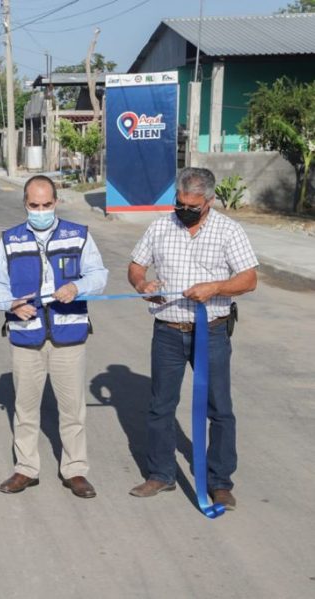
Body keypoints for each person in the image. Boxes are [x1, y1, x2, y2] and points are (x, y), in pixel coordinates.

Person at [127, 167, 257, 510]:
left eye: (192, 206)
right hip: (168, 331)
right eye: (180, 203)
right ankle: (160, 474)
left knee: (219, 409)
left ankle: (219, 483)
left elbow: (249, 279)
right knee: (160, 406)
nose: (184, 210)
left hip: (211, 331)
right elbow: (136, 267)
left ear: (210, 202)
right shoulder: (161, 227)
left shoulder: (229, 231)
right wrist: (143, 286)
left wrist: (215, 287)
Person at [0, 175, 108, 499]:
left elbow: (99, 275)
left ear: (56, 202)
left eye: (46, 205)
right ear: (25, 204)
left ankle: (75, 470)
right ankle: (25, 469)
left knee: (72, 410)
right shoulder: (10, 240)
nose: (41, 211)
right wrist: (11, 304)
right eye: (34, 205)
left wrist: (77, 287)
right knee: (25, 410)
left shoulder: (78, 235)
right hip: (27, 336)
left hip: (69, 334)